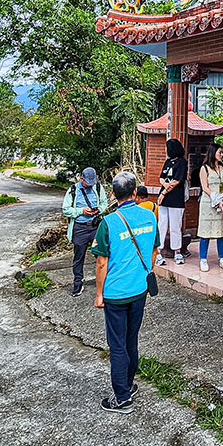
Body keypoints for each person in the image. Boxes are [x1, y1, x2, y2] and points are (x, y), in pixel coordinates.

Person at [92, 170, 160, 414]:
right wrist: (145, 272)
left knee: (118, 344)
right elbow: (154, 249)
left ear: (112, 194)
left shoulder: (108, 223)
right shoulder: (149, 216)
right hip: (139, 289)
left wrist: (99, 294)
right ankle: (129, 385)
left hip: (115, 293)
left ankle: (122, 397)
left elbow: (101, 262)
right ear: (135, 193)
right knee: (131, 338)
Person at [61, 167, 108, 296]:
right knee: (78, 257)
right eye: (87, 182)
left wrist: (98, 210)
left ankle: (105, 281)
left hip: (95, 226)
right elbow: (65, 209)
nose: (89, 185)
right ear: (81, 178)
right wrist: (81, 211)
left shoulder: (98, 188)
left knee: (101, 254)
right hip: (80, 227)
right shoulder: (73, 190)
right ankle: (78, 283)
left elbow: (104, 203)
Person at [197, 143, 223, 272]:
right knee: (205, 232)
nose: (221, 155)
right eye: (219, 152)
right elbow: (205, 187)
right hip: (208, 203)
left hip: (222, 201)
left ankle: (222, 257)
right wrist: (216, 200)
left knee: (221, 232)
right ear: (213, 153)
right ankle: (203, 259)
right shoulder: (204, 169)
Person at [156, 138, 188, 266]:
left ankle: (177, 252)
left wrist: (164, 191)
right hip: (164, 199)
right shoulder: (167, 162)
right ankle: (159, 252)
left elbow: (177, 180)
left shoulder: (182, 162)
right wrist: (165, 186)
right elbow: (161, 178)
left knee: (175, 225)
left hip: (175, 199)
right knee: (162, 224)